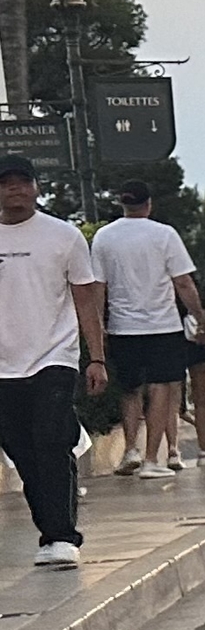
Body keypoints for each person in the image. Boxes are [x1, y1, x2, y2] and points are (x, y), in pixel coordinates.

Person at [0, 155, 109, 566]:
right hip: (4, 365)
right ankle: (48, 526)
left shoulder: (63, 237)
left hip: (54, 357)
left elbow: (85, 299)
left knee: (49, 440)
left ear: (36, 187)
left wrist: (95, 357)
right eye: (6, 182)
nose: (15, 189)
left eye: (22, 181)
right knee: (22, 451)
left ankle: (61, 536)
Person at [89, 179, 201, 479]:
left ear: (122, 204)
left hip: (123, 327)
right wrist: (200, 317)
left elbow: (98, 287)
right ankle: (153, 458)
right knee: (161, 388)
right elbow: (183, 282)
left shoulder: (103, 237)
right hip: (163, 325)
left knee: (129, 389)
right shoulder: (165, 235)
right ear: (148, 204)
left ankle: (130, 449)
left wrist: (99, 327)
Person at [180, 283, 205, 468]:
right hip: (197, 332)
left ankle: (172, 449)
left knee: (167, 393)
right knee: (201, 395)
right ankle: (204, 447)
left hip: (170, 329)